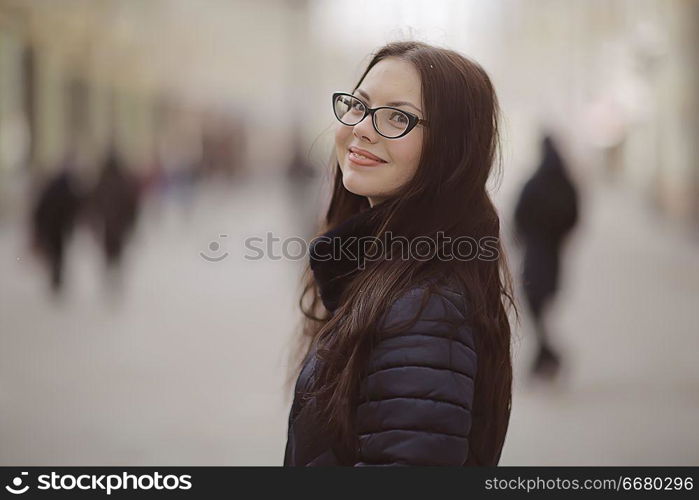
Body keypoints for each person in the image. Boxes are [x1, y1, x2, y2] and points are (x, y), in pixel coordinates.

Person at [284, 41, 516, 466]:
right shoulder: (386, 272)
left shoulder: (427, 309)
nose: (363, 129)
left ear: (451, 150)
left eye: (397, 117)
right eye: (360, 105)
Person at [514, 134, 579, 381]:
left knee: (534, 303)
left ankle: (548, 355)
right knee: (540, 305)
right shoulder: (567, 184)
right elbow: (574, 217)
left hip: (535, 253)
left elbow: (518, 215)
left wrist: (526, 237)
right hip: (553, 254)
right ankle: (545, 357)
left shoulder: (534, 183)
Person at [30, 159, 84, 294]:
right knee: (58, 253)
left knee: (56, 253)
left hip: (54, 227)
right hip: (59, 227)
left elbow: (41, 208)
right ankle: (56, 279)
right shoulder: (69, 190)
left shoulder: (54, 189)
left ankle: (56, 279)